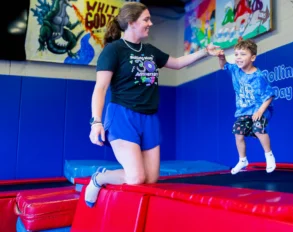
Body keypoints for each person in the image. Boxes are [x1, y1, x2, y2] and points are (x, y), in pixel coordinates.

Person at [86, 2, 220, 208]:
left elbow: (176, 63)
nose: (150, 23)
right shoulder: (114, 50)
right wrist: (96, 122)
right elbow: (100, 88)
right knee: (136, 177)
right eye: (146, 19)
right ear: (131, 22)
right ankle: (100, 177)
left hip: (148, 118)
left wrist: (205, 52)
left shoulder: (149, 50)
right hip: (123, 115)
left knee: (150, 179)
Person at [217, 39, 276, 175]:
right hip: (243, 111)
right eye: (236, 54)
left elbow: (269, 96)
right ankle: (242, 160)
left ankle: (269, 155)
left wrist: (260, 111)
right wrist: (221, 57)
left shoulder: (258, 76)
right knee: (238, 133)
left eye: (243, 54)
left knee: (258, 129)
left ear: (253, 57)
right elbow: (223, 66)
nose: (238, 58)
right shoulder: (235, 70)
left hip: (260, 109)